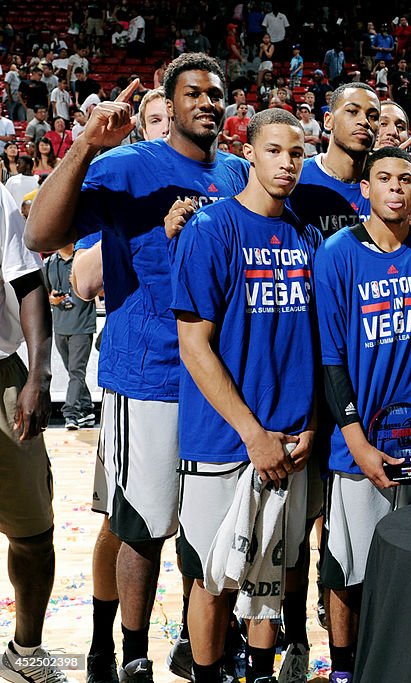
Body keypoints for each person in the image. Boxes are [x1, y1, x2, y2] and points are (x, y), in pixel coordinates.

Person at [24, 53, 250, 683]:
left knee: (205, 535)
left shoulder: (238, 173)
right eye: (193, 94)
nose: (207, 102)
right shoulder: (130, 166)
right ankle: (132, 656)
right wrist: (83, 147)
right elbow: (42, 237)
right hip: (147, 376)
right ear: (170, 105)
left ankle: (200, 647)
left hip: (217, 385)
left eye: (216, 93)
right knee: (141, 530)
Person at [170, 107, 319, 683]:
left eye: (297, 152)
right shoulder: (213, 229)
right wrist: (251, 432)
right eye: (276, 150)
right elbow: (194, 347)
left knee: (270, 577)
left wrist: (307, 425)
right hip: (223, 439)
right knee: (214, 579)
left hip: (291, 436)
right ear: (249, 153)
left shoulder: (306, 235)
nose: (287, 163)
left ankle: (258, 673)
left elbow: (312, 341)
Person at [314, 146, 411, 683]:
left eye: (406, 180)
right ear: (365, 190)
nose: (397, 188)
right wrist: (356, 442)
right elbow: (330, 360)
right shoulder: (336, 254)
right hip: (362, 446)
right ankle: (347, 668)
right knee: (347, 569)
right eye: (384, 179)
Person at [0, 180, 60, 683]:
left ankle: (26, 653)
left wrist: (38, 375)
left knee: (34, 533)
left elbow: (26, 282)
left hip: (1, 375)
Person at [288, 82, 379, 237]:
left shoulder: (389, 186)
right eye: (352, 111)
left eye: (373, 116)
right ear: (328, 121)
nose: (364, 121)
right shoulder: (296, 178)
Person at [43, 243, 96, 429]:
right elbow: (44, 293)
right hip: (60, 327)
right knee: (75, 373)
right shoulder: (49, 262)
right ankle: (88, 410)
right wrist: (52, 299)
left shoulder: (83, 259)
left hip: (82, 326)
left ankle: (71, 414)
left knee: (76, 372)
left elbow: (97, 288)